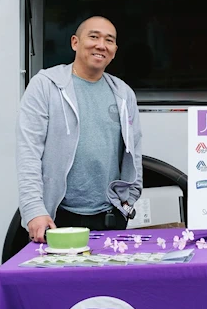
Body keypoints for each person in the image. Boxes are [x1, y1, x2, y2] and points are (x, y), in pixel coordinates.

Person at [16, 15, 143, 243]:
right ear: (75, 42)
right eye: (93, 37)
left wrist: (129, 200)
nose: (101, 45)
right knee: (60, 280)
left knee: (107, 279)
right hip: (56, 218)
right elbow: (29, 153)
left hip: (110, 216)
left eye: (109, 40)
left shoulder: (123, 93)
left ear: (114, 50)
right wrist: (35, 210)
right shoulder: (45, 85)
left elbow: (135, 152)